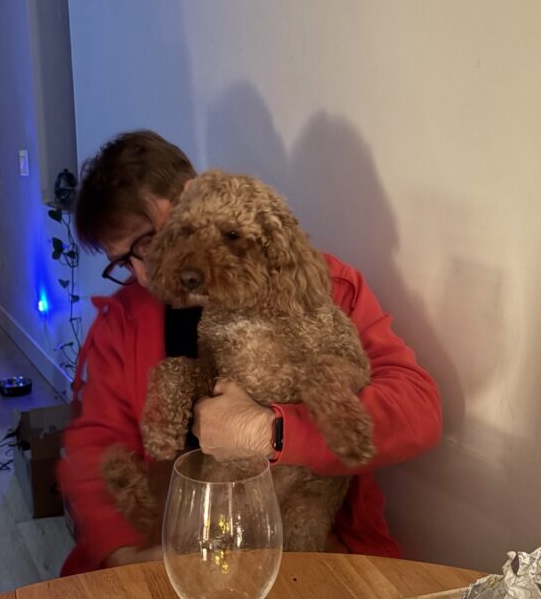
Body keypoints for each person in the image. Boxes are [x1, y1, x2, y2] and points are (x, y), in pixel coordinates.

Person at [58, 130, 442, 575]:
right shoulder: (122, 321)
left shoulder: (324, 288)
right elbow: (95, 445)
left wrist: (270, 432)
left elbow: (419, 409)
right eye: (124, 262)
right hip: (177, 547)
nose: (143, 276)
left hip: (313, 552)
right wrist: (131, 555)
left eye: (146, 242)